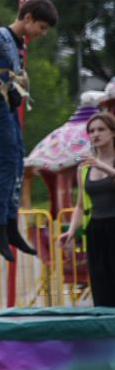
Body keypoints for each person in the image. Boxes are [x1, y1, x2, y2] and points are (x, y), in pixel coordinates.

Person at [0, 0, 58, 260]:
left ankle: (10, 223)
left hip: (6, 103)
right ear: (28, 18)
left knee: (18, 160)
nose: (41, 34)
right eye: (41, 27)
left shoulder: (19, 42)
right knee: (7, 158)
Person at [61, 111, 115, 307]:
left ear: (112, 133)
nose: (96, 134)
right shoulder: (84, 168)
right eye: (91, 131)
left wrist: (104, 167)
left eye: (101, 129)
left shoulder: (104, 164)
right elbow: (80, 205)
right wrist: (71, 231)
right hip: (95, 229)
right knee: (100, 280)